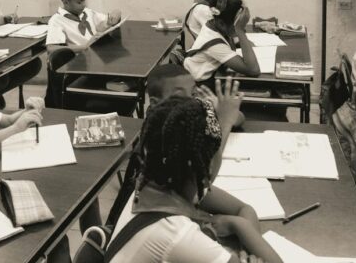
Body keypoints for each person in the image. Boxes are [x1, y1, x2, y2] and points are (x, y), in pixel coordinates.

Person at [108, 95, 282, 263]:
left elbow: (243, 208)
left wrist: (246, 248)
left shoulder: (162, 181)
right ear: (207, 164)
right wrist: (238, 225)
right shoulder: (176, 234)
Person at [184, 0, 260, 84]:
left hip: (215, 75)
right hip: (201, 85)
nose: (239, 27)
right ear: (221, 23)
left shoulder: (214, 24)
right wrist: (240, 31)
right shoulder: (213, 43)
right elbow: (253, 70)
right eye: (236, 25)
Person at [45, 0, 122, 53]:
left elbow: (109, 18)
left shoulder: (86, 12)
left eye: (84, 0)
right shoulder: (56, 21)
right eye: (79, 2)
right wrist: (85, 46)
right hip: (80, 60)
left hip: (98, 53)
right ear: (66, 2)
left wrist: (114, 15)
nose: (84, 5)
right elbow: (51, 48)